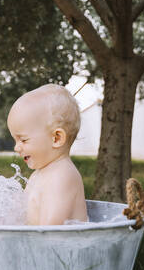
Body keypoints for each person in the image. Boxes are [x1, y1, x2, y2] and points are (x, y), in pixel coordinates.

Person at [7, 84, 88, 225]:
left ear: (56, 138)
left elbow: (50, 232)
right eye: (15, 140)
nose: (16, 147)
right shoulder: (39, 174)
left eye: (23, 140)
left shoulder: (63, 176)